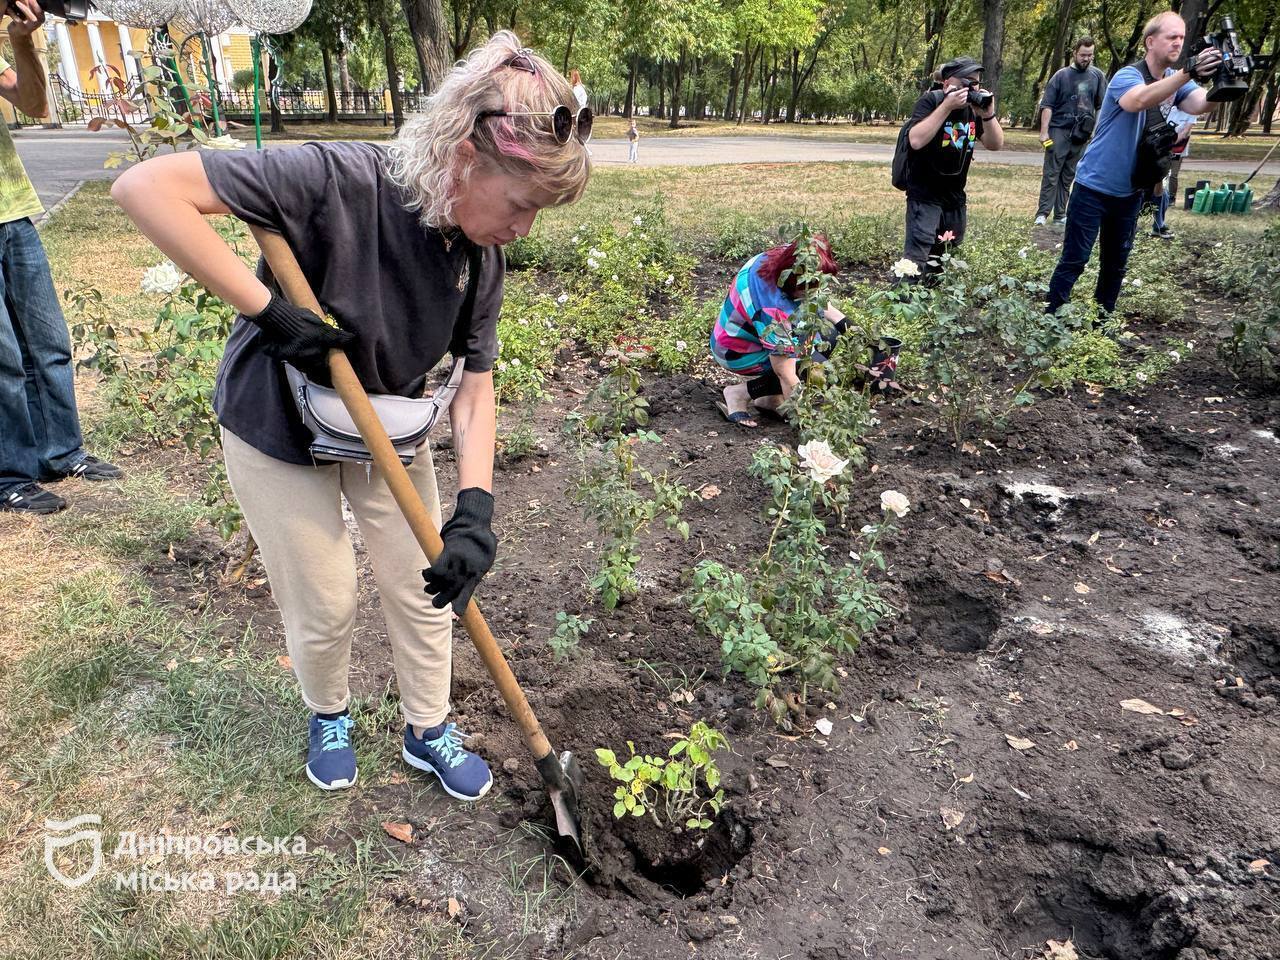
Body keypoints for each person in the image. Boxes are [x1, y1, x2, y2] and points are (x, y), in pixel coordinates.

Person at [111, 33, 591, 799]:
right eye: (523, 203)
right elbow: (145, 189)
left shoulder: (480, 257)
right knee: (326, 597)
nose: (524, 228)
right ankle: (327, 713)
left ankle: (427, 727)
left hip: (386, 428)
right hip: (278, 424)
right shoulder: (337, 179)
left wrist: (476, 507)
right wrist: (271, 313)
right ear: (466, 159)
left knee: (427, 585)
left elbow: (474, 385)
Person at [0, 0, 122, 515]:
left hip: (13, 211)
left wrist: (22, 40)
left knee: (47, 342)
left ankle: (61, 452)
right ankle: (10, 473)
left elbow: (33, 104)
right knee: (3, 358)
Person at [1046, 12, 1222, 315]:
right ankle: (1050, 319)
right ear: (1150, 41)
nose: (1178, 42)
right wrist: (1187, 73)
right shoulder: (1128, 76)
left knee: (1115, 265)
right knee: (1075, 259)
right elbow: (1136, 101)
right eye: (1171, 37)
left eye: (1182, 37)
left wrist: (1225, 81)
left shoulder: (1174, 82)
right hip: (1093, 187)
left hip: (1129, 193)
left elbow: (1202, 104)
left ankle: (1101, 327)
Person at [711, 236, 842, 428]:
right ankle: (738, 394)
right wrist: (805, 427)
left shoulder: (789, 257)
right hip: (736, 349)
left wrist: (849, 326)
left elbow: (815, 297)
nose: (814, 293)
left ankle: (768, 399)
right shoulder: (774, 309)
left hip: (750, 333)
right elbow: (786, 374)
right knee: (812, 361)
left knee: (827, 335)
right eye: (807, 289)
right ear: (792, 284)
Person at [901, 57, 1004, 280]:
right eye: (965, 81)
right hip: (925, 195)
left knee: (944, 256)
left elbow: (996, 144)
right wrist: (947, 106)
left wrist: (988, 114)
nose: (970, 88)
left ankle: (930, 302)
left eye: (975, 83)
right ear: (947, 83)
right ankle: (902, 304)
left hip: (955, 198)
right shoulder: (931, 102)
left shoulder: (975, 111)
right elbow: (916, 140)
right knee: (916, 258)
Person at [1035, 37, 1105, 226]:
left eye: (1090, 55)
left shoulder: (1097, 76)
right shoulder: (1061, 76)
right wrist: (1044, 132)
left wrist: (1097, 131)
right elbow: (1047, 105)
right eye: (1083, 55)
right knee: (1052, 173)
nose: (1086, 59)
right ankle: (1042, 213)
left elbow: (1100, 106)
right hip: (1059, 130)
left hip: (1082, 134)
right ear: (1074, 53)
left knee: (1069, 175)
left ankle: (1060, 214)